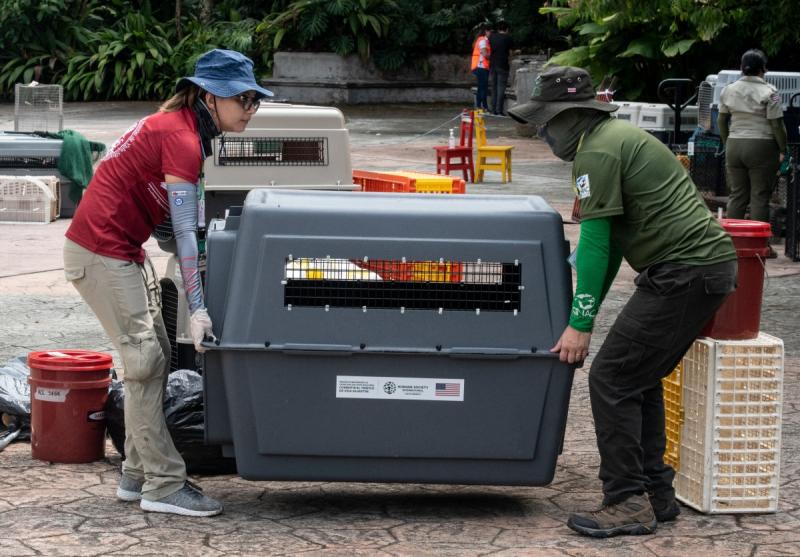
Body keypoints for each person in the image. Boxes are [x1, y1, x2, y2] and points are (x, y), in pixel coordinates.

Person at [509, 66, 737, 538]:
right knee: (637, 376)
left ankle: (626, 500)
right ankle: (655, 494)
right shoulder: (607, 141)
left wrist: (580, 323)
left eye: (548, 122)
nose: (544, 133)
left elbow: (595, 246)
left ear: (573, 116)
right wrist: (579, 307)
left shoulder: (598, 151)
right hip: (698, 271)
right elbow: (607, 248)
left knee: (611, 377)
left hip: (685, 273)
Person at [63, 49, 272, 517]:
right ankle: (162, 484)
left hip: (121, 250)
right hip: (99, 253)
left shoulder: (181, 127)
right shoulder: (181, 137)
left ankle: (136, 475)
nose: (250, 109)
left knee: (152, 353)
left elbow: (172, 228)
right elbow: (182, 235)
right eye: (242, 99)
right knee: (146, 364)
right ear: (209, 97)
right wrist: (198, 309)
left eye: (254, 99)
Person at [719, 49, 787, 243]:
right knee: (759, 196)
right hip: (762, 146)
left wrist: (727, 142)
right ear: (763, 69)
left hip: (734, 145)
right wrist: (783, 149)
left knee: (737, 195)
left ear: (741, 68)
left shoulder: (728, 90)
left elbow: (722, 121)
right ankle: (757, 244)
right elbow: (777, 124)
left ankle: (732, 243)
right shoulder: (771, 92)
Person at [488, 20, 512, 115]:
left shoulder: (492, 37)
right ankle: (499, 110)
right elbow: (510, 52)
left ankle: (493, 110)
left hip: (492, 64)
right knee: (501, 88)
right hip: (502, 65)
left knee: (494, 88)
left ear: (498, 29)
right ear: (507, 29)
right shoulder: (508, 38)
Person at [471, 24, 491, 111]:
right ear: (486, 31)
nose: (491, 33)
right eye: (490, 31)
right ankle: (484, 107)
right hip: (482, 67)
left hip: (480, 67)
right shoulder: (483, 41)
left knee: (481, 87)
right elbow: (485, 54)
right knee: (483, 88)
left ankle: (479, 106)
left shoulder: (481, 40)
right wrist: (494, 55)